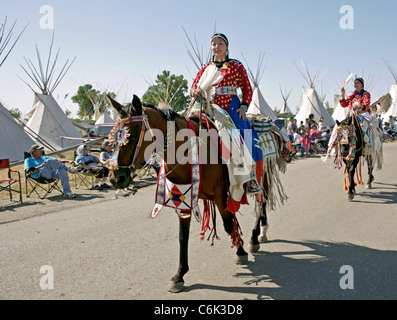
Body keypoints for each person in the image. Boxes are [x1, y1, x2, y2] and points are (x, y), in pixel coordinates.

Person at [190, 32, 261, 201]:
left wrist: (244, 106)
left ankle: (250, 177)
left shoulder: (236, 65)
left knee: (243, 132)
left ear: (227, 46)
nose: (216, 46)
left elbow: (246, 88)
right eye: (213, 44)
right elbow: (194, 86)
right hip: (209, 107)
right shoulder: (205, 68)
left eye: (220, 43)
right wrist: (194, 91)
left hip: (231, 107)